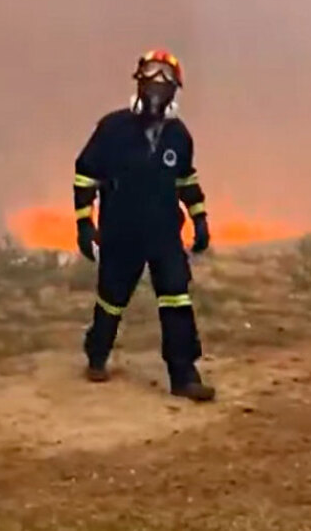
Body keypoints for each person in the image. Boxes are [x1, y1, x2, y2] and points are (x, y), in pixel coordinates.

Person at [71, 48, 215, 402]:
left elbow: (186, 179)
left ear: (175, 90)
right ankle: (97, 353)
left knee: (176, 299)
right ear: (138, 82)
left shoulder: (179, 136)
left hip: (164, 233)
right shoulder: (112, 128)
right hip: (121, 231)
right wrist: (84, 225)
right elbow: (85, 175)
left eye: (166, 79)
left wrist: (200, 219)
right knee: (112, 299)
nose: (157, 85)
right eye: (151, 76)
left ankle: (184, 376)